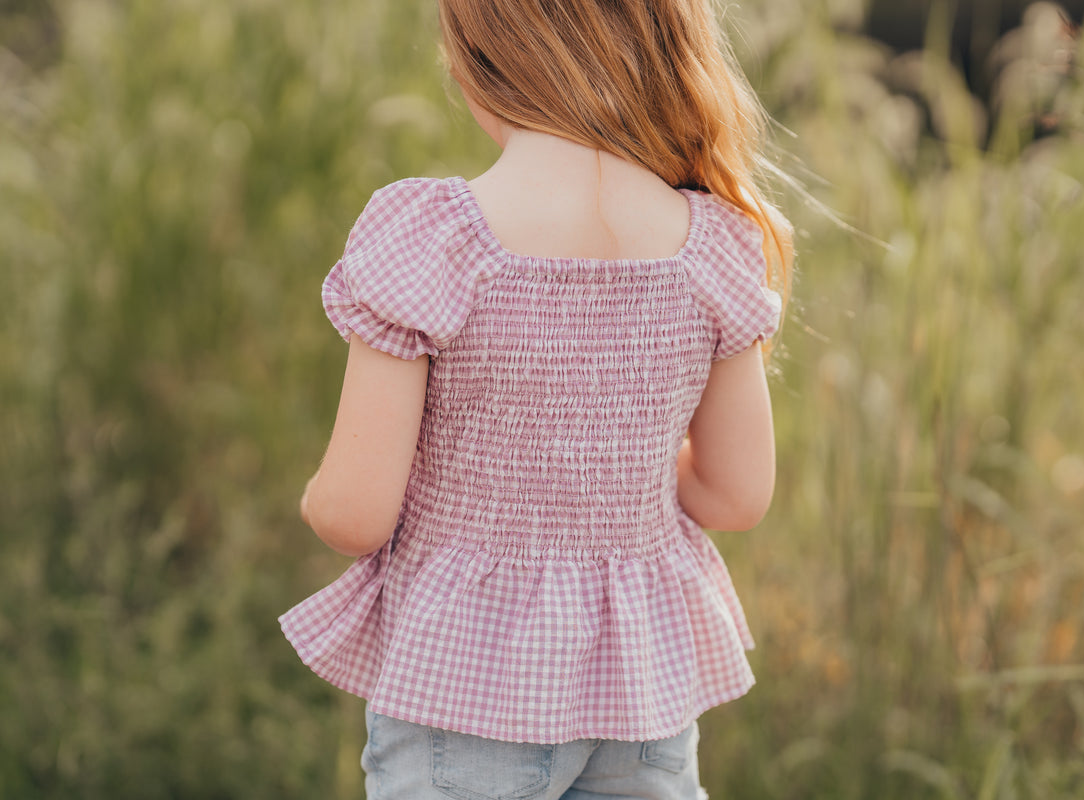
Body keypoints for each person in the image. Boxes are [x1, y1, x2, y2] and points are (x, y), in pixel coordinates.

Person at [280, 0, 792, 796]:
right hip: (640, 693)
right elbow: (736, 494)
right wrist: (624, 473)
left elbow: (355, 514)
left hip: (464, 690)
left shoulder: (434, 237)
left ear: (477, 62)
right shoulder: (712, 243)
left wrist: (317, 496)